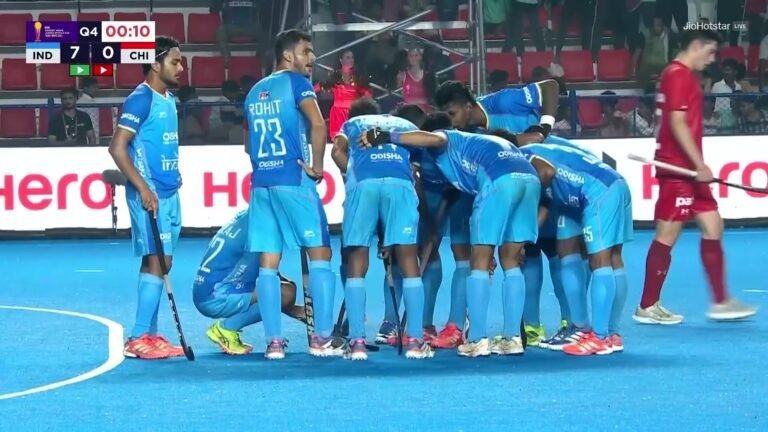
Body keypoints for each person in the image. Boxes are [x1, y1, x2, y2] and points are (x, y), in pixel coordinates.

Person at [362, 112, 545, 357]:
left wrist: (386, 136)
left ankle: (477, 339)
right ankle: (513, 339)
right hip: (529, 179)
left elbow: (433, 139)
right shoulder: (474, 146)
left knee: (479, 261)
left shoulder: (447, 138)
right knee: (511, 260)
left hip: (498, 180)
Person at [423, 79, 559, 349]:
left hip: (529, 175)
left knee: (533, 253)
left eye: (452, 114)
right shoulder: (463, 136)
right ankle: (461, 327)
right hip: (493, 185)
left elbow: (552, 86)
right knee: (473, 255)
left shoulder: (503, 101)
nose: (451, 122)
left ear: (469, 106)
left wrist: (544, 126)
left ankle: (529, 326)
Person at [635, 29, 758, 325]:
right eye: (711, 51)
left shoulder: (679, 75)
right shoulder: (678, 75)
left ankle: (721, 301)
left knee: (713, 225)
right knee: (667, 234)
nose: (713, 58)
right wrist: (699, 165)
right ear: (697, 46)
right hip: (679, 169)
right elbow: (677, 123)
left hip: (688, 170)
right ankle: (647, 305)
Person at [244, 29, 336, 360]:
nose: (312, 58)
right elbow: (318, 124)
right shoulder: (298, 84)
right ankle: (322, 339)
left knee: (268, 263)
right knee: (320, 254)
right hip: (294, 178)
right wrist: (317, 166)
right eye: (306, 51)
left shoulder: (253, 92)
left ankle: (274, 343)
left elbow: (248, 146)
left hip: (261, 183)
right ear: (288, 55)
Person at [331, 97, 433, 361]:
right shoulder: (406, 125)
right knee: (408, 260)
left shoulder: (352, 123)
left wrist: (351, 174)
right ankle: (415, 342)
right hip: (400, 184)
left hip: (364, 183)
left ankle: (357, 343)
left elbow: (336, 151)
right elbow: (415, 167)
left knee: (356, 260)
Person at [108, 36, 185, 360]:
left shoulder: (169, 100)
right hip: (149, 195)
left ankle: (150, 337)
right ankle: (138, 337)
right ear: (155, 63)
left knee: (162, 261)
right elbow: (117, 148)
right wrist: (143, 188)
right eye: (175, 62)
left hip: (169, 192)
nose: (181, 68)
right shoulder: (140, 99)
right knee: (158, 261)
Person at [517, 141, 633, 356]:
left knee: (601, 260)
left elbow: (547, 174)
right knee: (568, 249)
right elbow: (547, 198)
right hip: (595, 189)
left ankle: (603, 336)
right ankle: (581, 329)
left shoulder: (521, 156)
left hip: (597, 192)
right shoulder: (541, 150)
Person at [193, 210, 306, 355]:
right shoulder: (264, 232)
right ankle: (225, 328)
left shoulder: (249, 217)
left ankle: (226, 327)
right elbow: (269, 283)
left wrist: (296, 310)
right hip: (216, 298)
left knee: (287, 289)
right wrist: (293, 309)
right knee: (285, 294)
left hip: (206, 291)